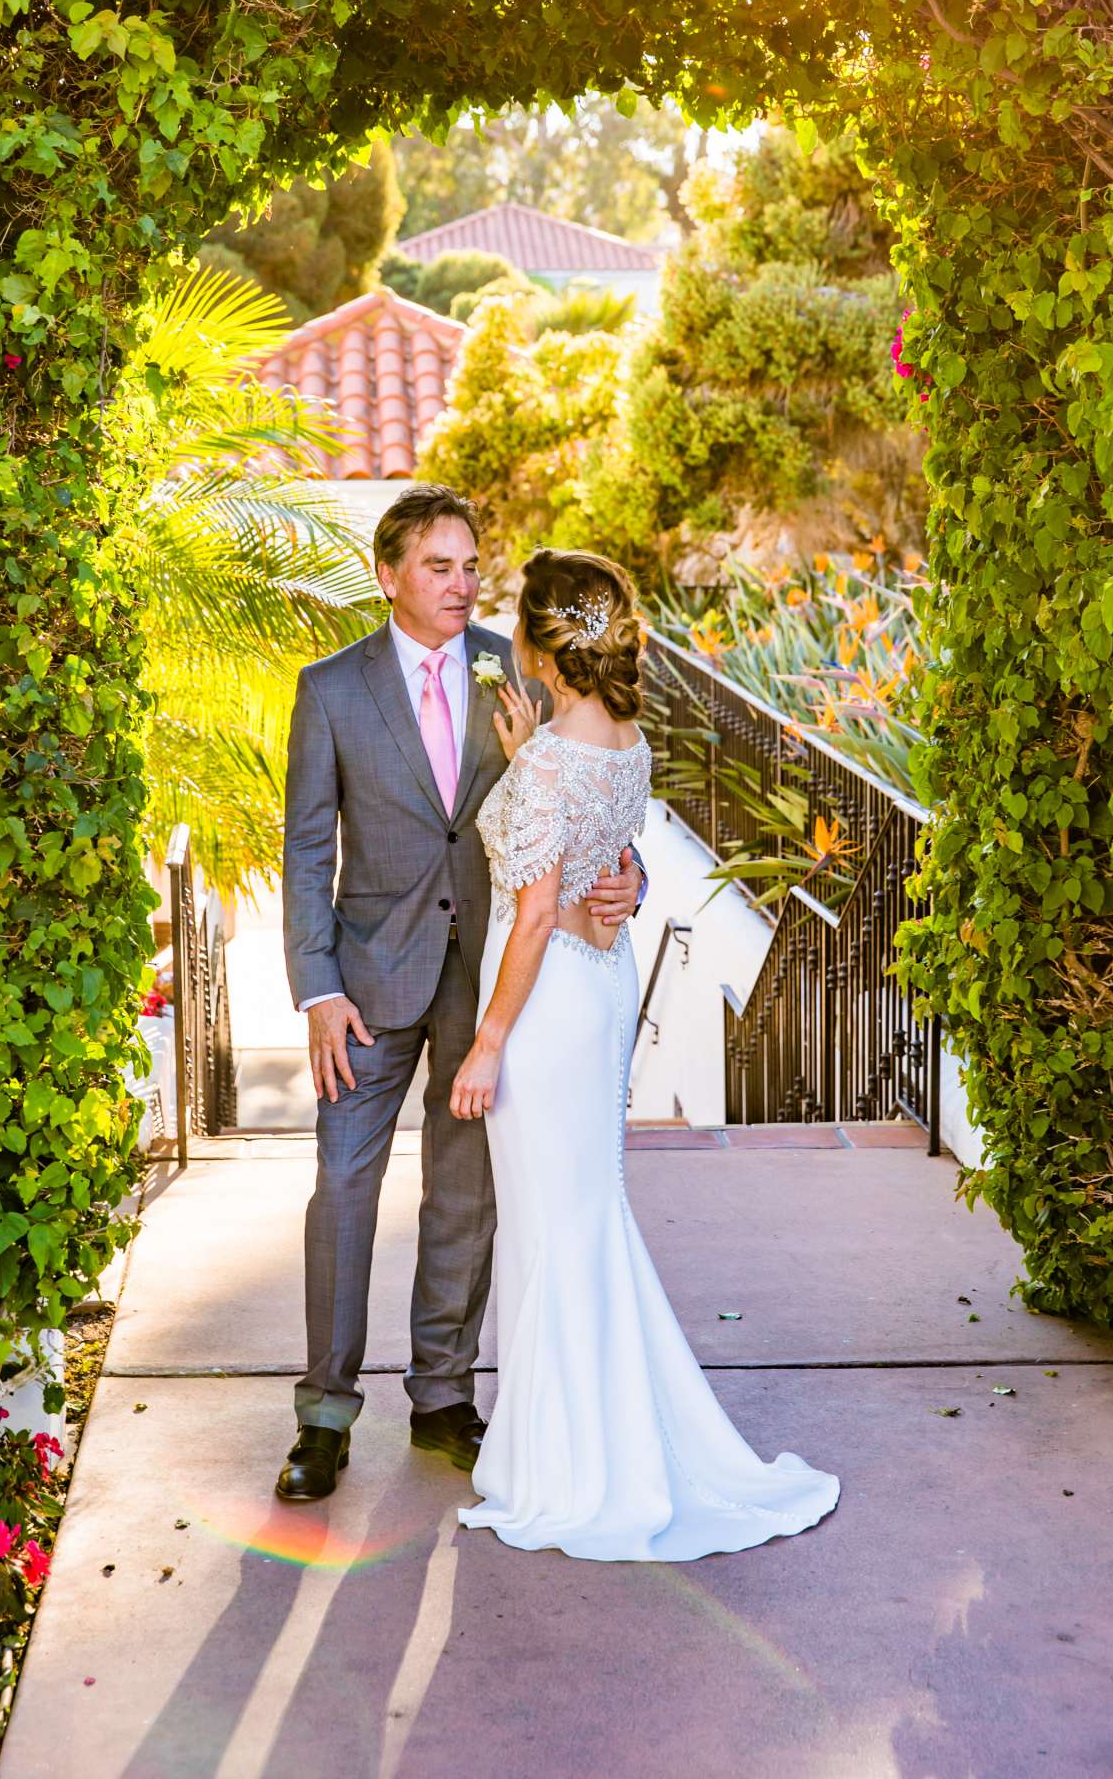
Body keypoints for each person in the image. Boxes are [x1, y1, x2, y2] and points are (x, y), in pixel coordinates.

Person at [451, 547, 840, 1560]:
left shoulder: (545, 761)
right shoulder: (621, 737)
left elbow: (535, 913)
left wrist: (485, 1043)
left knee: (551, 1222)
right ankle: (577, 1447)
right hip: (600, 985)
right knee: (579, 1213)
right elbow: (599, 868)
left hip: (539, 1011)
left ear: (541, 644)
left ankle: (568, 1467)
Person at [275, 487, 644, 1502]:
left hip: (493, 981)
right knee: (345, 1187)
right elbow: (307, 848)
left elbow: (592, 790)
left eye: (472, 565)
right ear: (388, 573)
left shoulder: (518, 666)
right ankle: (324, 1414)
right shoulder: (331, 690)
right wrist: (316, 990)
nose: (461, 583)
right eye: (438, 566)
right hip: (364, 979)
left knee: (465, 1195)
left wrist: (630, 880)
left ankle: (442, 1397)